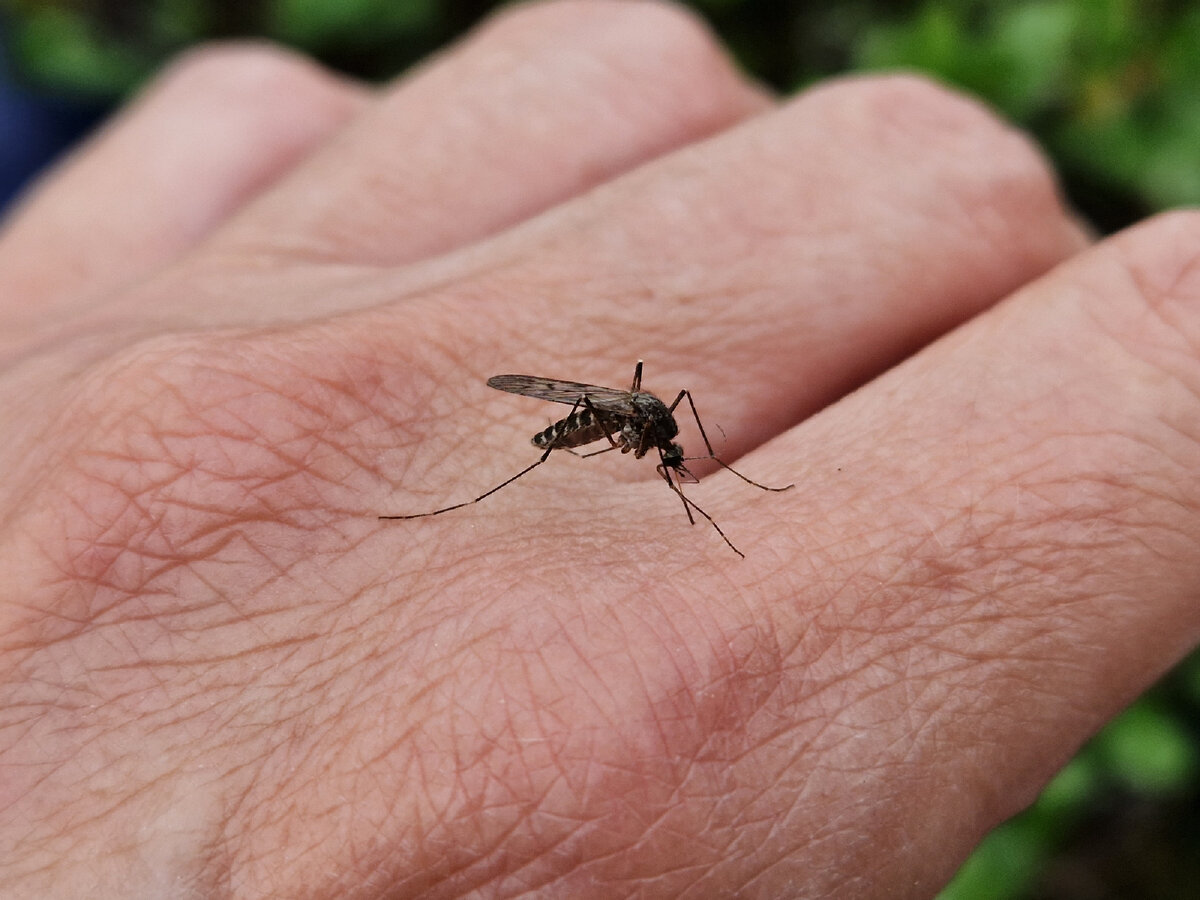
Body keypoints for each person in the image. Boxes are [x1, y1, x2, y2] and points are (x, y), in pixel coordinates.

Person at [1, 2, 1195, 896]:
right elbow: (602, 407)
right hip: (564, 412)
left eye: (670, 448)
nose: (667, 446)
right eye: (671, 449)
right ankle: (493, 488)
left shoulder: (660, 414)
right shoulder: (628, 419)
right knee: (569, 435)